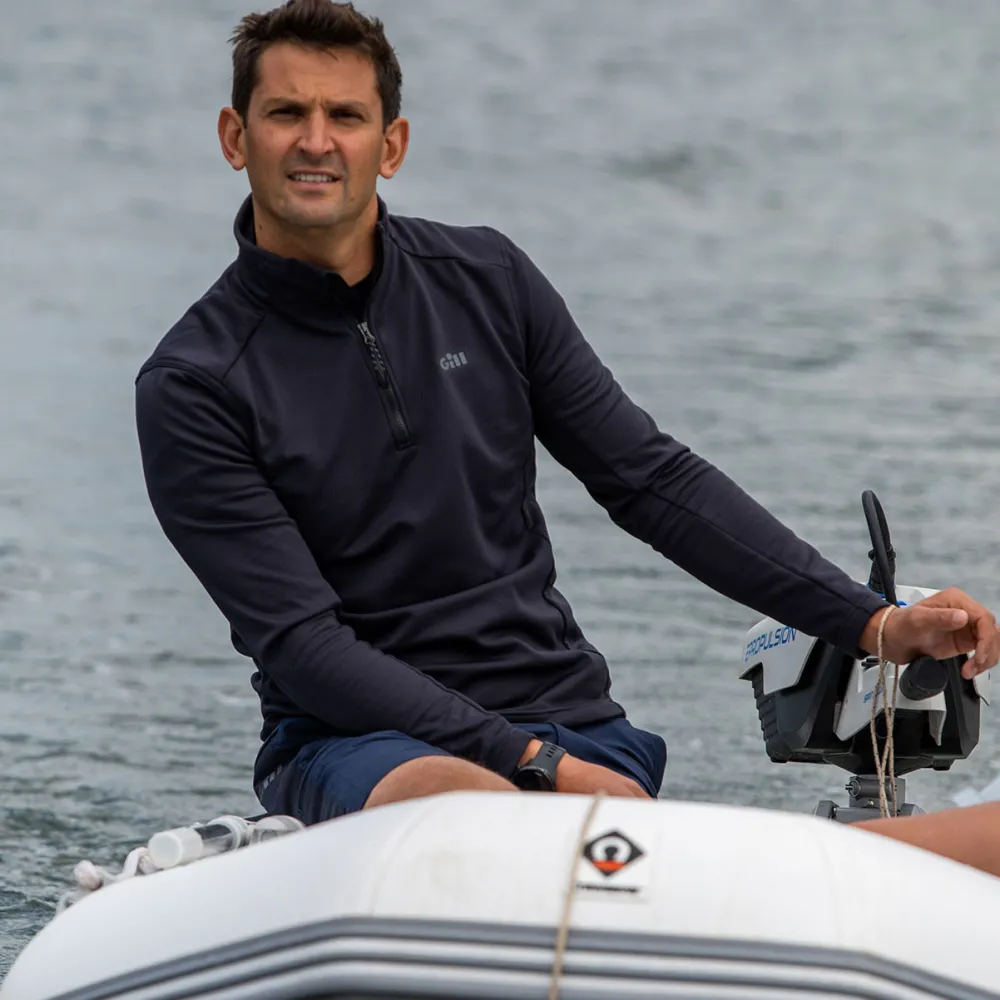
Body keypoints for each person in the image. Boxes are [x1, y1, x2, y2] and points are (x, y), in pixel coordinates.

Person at [135, 0, 1000, 875]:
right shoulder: (196, 384)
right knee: (467, 811)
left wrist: (873, 622)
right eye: (287, 113)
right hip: (358, 748)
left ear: (390, 145)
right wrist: (534, 766)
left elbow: (651, 481)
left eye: (345, 116)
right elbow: (305, 648)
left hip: (572, 726)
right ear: (236, 137)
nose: (316, 141)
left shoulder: (488, 281)